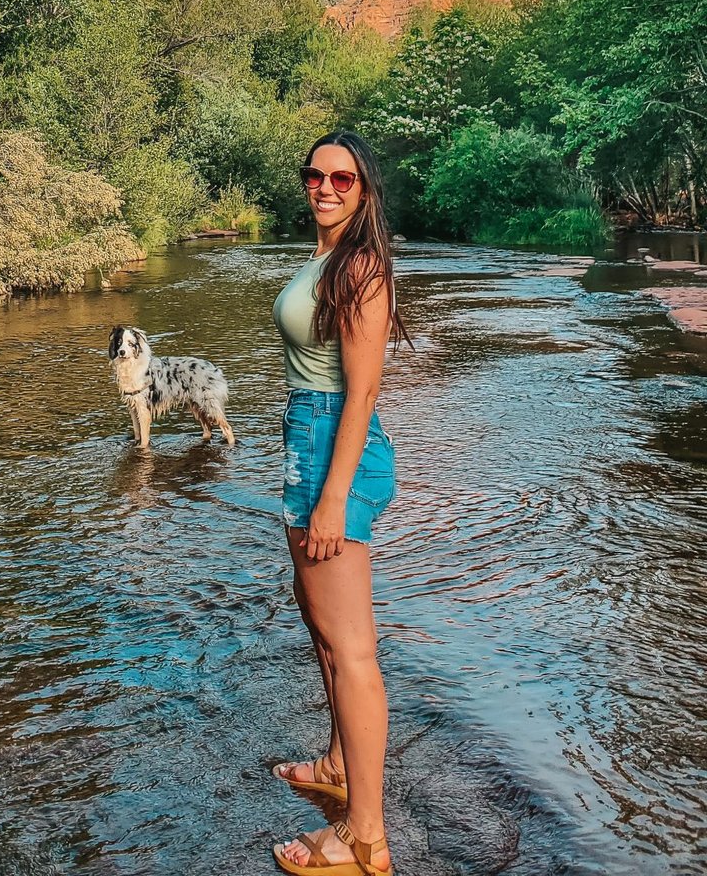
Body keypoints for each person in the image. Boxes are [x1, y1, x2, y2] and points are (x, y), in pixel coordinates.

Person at [269, 129, 407, 876]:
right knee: (321, 627)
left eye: (342, 179)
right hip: (307, 438)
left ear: (365, 190)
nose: (324, 187)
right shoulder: (327, 256)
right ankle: (336, 766)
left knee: (353, 650)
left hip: (332, 446)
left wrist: (332, 500)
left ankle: (365, 839)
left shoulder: (360, 268)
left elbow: (362, 393)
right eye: (314, 174)